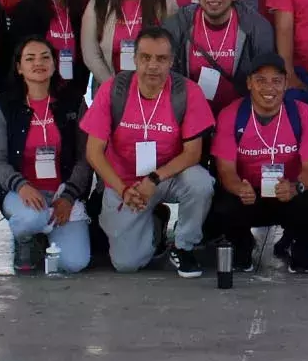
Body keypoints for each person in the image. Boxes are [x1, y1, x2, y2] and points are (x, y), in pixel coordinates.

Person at [83, 28, 216, 275]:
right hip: (125, 183)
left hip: (167, 177)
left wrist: (153, 179)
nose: (153, 65)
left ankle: (183, 245)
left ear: (172, 61)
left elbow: (192, 153)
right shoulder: (114, 90)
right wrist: (122, 189)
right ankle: (156, 221)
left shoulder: (187, 92)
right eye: (145, 58)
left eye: (161, 59)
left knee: (200, 182)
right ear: (134, 59)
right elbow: (93, 151)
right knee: (126, 265)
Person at [207, 55, 308, 273]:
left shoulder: (303, 113)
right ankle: (243, 243)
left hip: (288, 193)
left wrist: (296, 187)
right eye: (260, 80)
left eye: (276, 80)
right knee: (221, 202)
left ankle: (297, 243)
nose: (269, 87)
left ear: (286, 83)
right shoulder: (232, 114)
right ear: (249, 83)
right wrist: (239, 187)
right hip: (250, 195)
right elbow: (225, 170)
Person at [0, 36, 93, 276]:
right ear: (19, 67)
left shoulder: (73, 103)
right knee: (30, 219)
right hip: (22, 193)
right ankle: (27, 239)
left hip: (61, 192)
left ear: (55, 64)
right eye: (30, 58)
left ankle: (45, 234)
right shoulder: (4, 106)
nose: (39, 63)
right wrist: (21, 186)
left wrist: (69, 196)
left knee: (74, 263)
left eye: (45, 57)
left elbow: (85, 158)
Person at [165, 0, 277, 114]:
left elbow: (264, 78)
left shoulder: (257, 28)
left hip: (239, 113)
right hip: (191, 112)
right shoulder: (179, 24)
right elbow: (169, 76)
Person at [8, 0, 91, 110]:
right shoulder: (26, 9)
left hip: (72, 95)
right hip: (34, 95)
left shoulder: (83, 9)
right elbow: (15, 57)